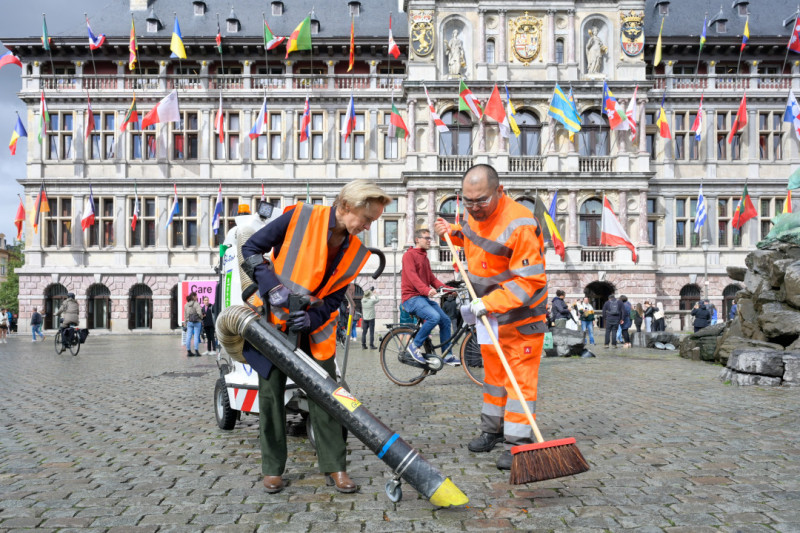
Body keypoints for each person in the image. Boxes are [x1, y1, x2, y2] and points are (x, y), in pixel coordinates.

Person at [241, 179, 392, 494]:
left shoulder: (355, 251)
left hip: (316, 328)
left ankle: (335, 467)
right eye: (366, 219)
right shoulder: (299, 216)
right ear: (347, 206)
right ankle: (272, 469)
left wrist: (311, 317)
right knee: (271, 397)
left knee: (328, 397)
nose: (367, 227)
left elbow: (335, 299)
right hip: (276, 321)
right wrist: (272, 287)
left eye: (372, 222)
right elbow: (251, 249)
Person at [434, 164, 548, 471]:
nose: (474, 207)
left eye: (480, 201)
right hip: (491, 317)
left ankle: (519, 443)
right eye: (467, 201)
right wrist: (453, 233)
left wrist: (491, 302)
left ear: (499, 191)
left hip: (521, 318)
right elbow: (475, 240)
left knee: (519, 382)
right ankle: (492, 430)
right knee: (495, 378)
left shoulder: (519, 224)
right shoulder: (475, 214)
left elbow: (529, 281)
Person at [400, 228, 455, 365]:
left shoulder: (424, 257)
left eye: (430, 238)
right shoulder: (409, 255)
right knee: (434, 317)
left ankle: (447, 355)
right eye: (427, 238)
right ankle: (414, 346)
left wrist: (451, 290)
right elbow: (412, 276)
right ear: (417, 239)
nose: (431, 241)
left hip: (423, 298)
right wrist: (426, 290)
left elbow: (433, 280)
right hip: (411, 298)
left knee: (445, 320)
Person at [183, 292, 203, 357]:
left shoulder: (186, 305)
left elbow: (185, 315)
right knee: (196, 337)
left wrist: (186, 322)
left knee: (188, 337)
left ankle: (189, 351)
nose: (197, 297)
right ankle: (196, 351)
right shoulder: (196, 304)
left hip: (189, 322)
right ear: (194, 297)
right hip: (197, 322)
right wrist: (201, 317)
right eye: (196, 296)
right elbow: (199, 313)